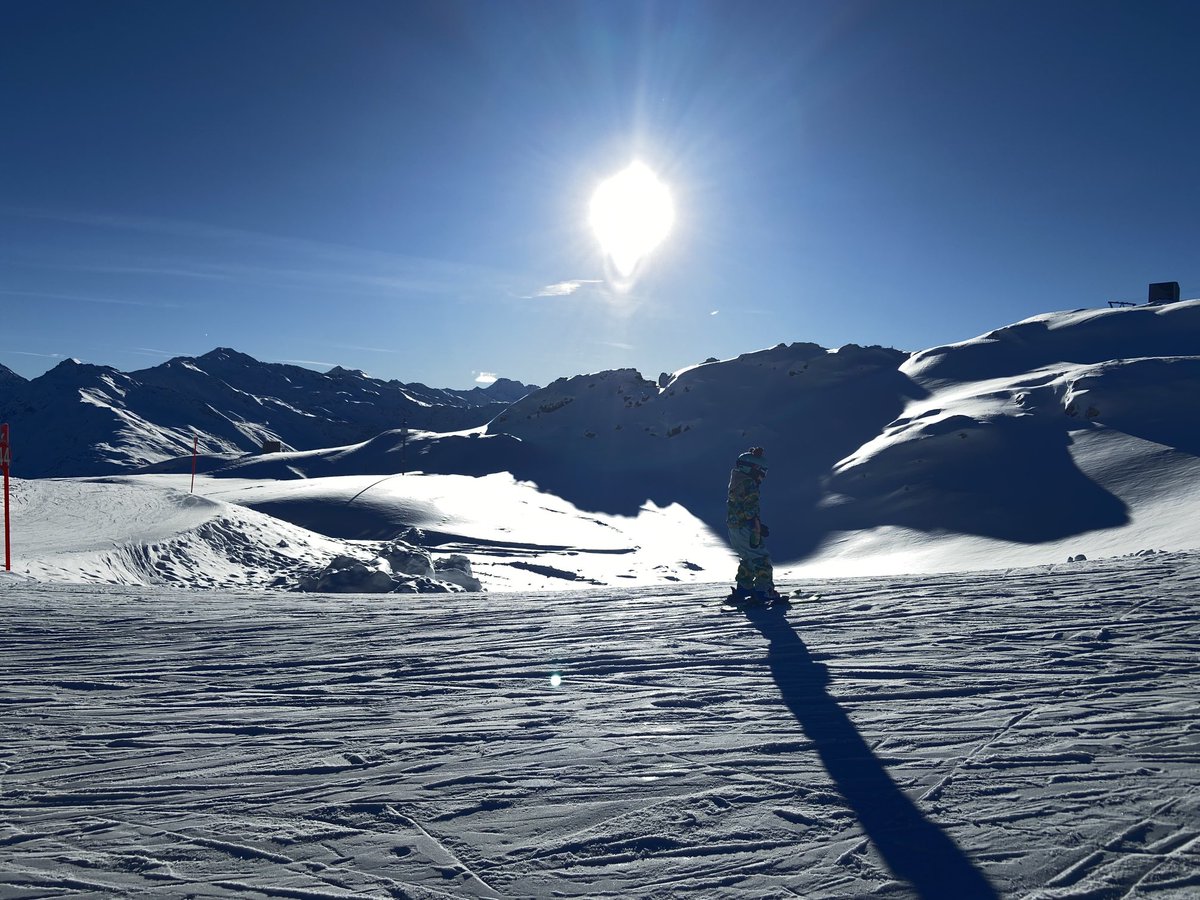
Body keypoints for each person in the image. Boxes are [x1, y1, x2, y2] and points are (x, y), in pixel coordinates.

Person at [726, 447, 783, 605]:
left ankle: (744, 588)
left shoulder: (736, 481)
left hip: (733, 528)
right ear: (752, 468)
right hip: (746, 527)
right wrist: (757, 525)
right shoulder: (750, 484)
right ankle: (764, 590)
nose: (762, 475)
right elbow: (750, 507)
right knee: (761, 558)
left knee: (747, 558)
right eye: (762, 471)